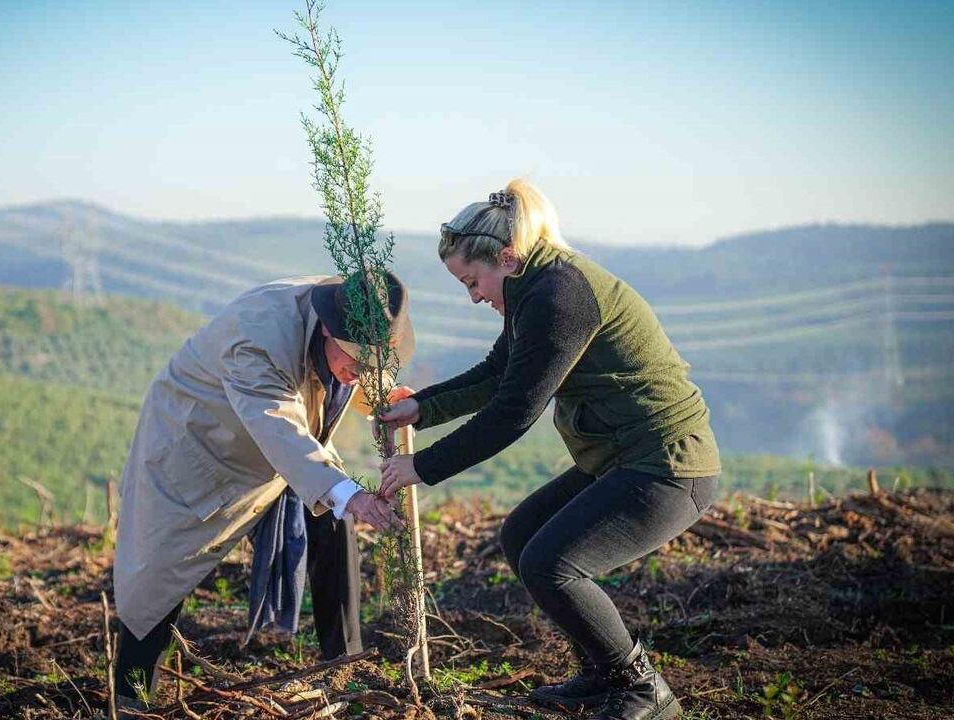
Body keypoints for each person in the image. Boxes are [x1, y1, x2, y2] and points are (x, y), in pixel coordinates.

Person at [377, 179, 719, 720]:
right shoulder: (535, 285)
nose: (474, 296)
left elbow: (514, 411)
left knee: (552, 562)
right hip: (620, 458)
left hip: (667, 465)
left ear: (507, 258)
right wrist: (422, 407)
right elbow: (498, 373)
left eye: (473, 281)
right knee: (522, 536)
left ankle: (644, 690)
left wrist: (422, 465)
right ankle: (601, 673)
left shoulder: (560, 296)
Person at [113, 271, 412, 707]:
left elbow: (349, 374)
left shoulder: (356, 311)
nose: (359, 374)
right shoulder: (257, 339)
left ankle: (345, 668)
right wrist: (352, 495)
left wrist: (385, 396)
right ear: (327, 328)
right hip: (196, 447)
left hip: (279, 451)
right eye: (356, 362)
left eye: (373, 363)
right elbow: (277, 426)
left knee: (335, 515)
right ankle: (131, 697)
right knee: (156, 580)